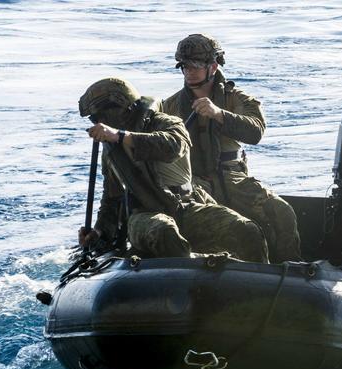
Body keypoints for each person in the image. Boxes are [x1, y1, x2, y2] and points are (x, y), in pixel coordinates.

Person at [77, 77, 268, 263]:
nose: (98, 121)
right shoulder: (111, 149)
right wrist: (99, 231)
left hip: (184, 206)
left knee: (245, 230)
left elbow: (172, 146)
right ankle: (193, 277)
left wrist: (120, 136)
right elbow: (112, 197)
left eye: (102, 115)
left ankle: (262, 286)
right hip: (143, 214)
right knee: (163, 231)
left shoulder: (166, 123)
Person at [160, 34, 301, 263]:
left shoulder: (235, 98)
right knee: (207, 223)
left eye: (195, 66)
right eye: (184, 66)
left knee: (282, 212)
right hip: (193, 180)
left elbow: (255, 131)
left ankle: (290, 271)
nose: (189, 72)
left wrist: (219, 114)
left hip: (232, 176)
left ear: (213, 67)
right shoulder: (170, 106)